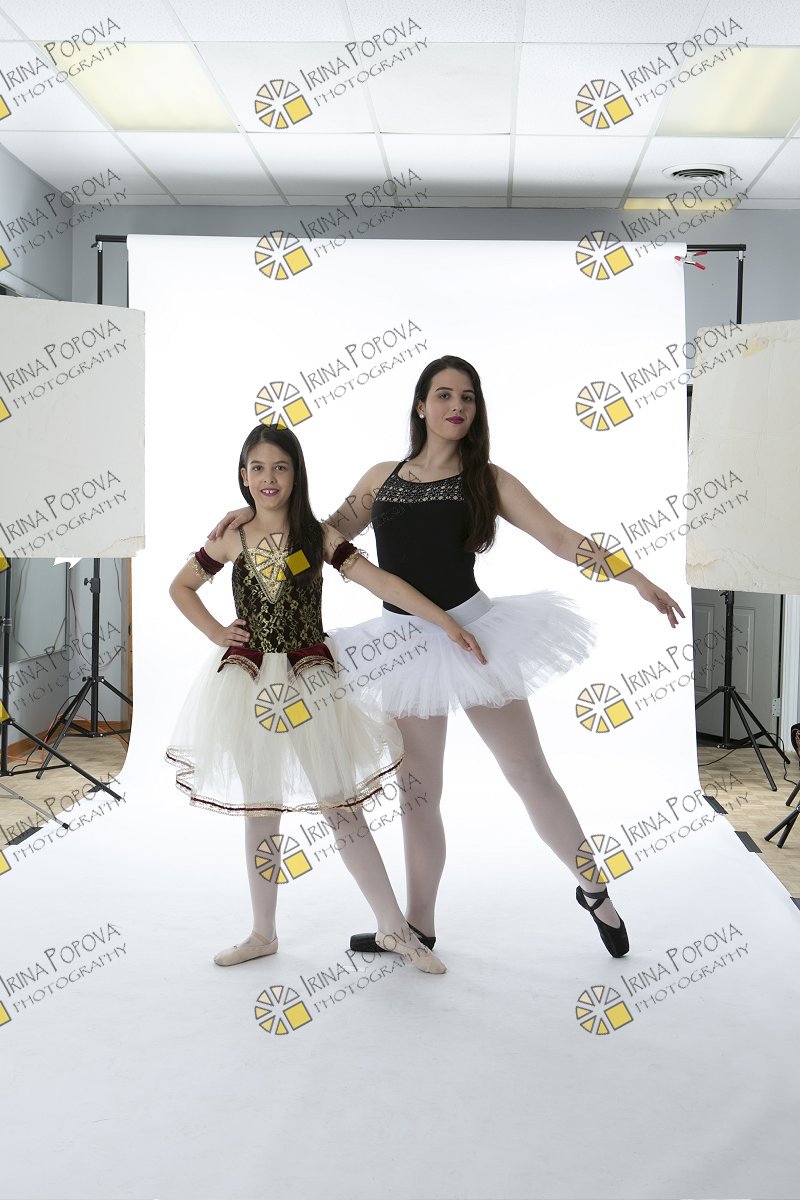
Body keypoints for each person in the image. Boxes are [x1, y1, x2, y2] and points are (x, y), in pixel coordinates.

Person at [210, 357, 685, 960]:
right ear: (421, 405)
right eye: (443, 395)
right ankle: (418, 926)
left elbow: (562, 538)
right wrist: (253, 518)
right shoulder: (382, 477)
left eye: (467, 397)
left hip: (473, 635)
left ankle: (593, 887)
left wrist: (635, 578)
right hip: (401, 648)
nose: (456, 406)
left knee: (529, 773)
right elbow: (317, 537)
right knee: (417, 793)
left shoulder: (487, 480)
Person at [167, 422, 486, 975]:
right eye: (258, 468)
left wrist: (443, 620)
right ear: (243, 475)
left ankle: (394, 928)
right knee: (261, 809)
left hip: (310, 681)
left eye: (280, 467)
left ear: (297, 475)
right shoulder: (232, 536)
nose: (269, 478)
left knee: (340, 805)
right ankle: (262, 932)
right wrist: (217, 631)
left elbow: (382, 582)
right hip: (248, 683)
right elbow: (180, 586)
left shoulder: (317, 538)